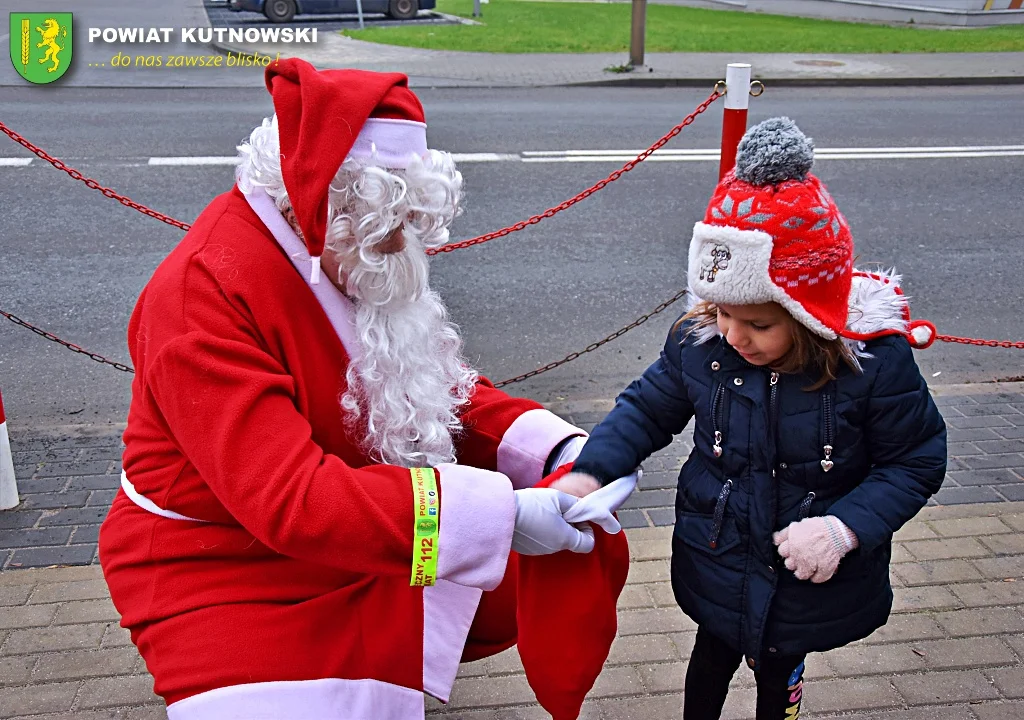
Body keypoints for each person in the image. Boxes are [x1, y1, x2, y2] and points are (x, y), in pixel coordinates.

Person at [99, 59, 630, 720]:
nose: (408, 242)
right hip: (219, 557)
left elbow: (432, 384)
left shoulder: (342, 252)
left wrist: (553, 449)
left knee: (508, 585)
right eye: (392, 224)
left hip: (347, 518)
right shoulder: (201, 295)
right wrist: (500, 517)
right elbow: (291, 499)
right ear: (323, 203)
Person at [551, 117, 947, 720]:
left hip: (805, 572)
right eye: (724, 313)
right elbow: (647, 407)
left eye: (759, 324)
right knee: (710, 657)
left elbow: (915, 460)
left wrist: (844, 529)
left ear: (809, 312)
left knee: (780, 671)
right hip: (721, 553)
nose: (735, 336)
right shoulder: (700, 342)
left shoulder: (871, 366)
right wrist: (591, 470)